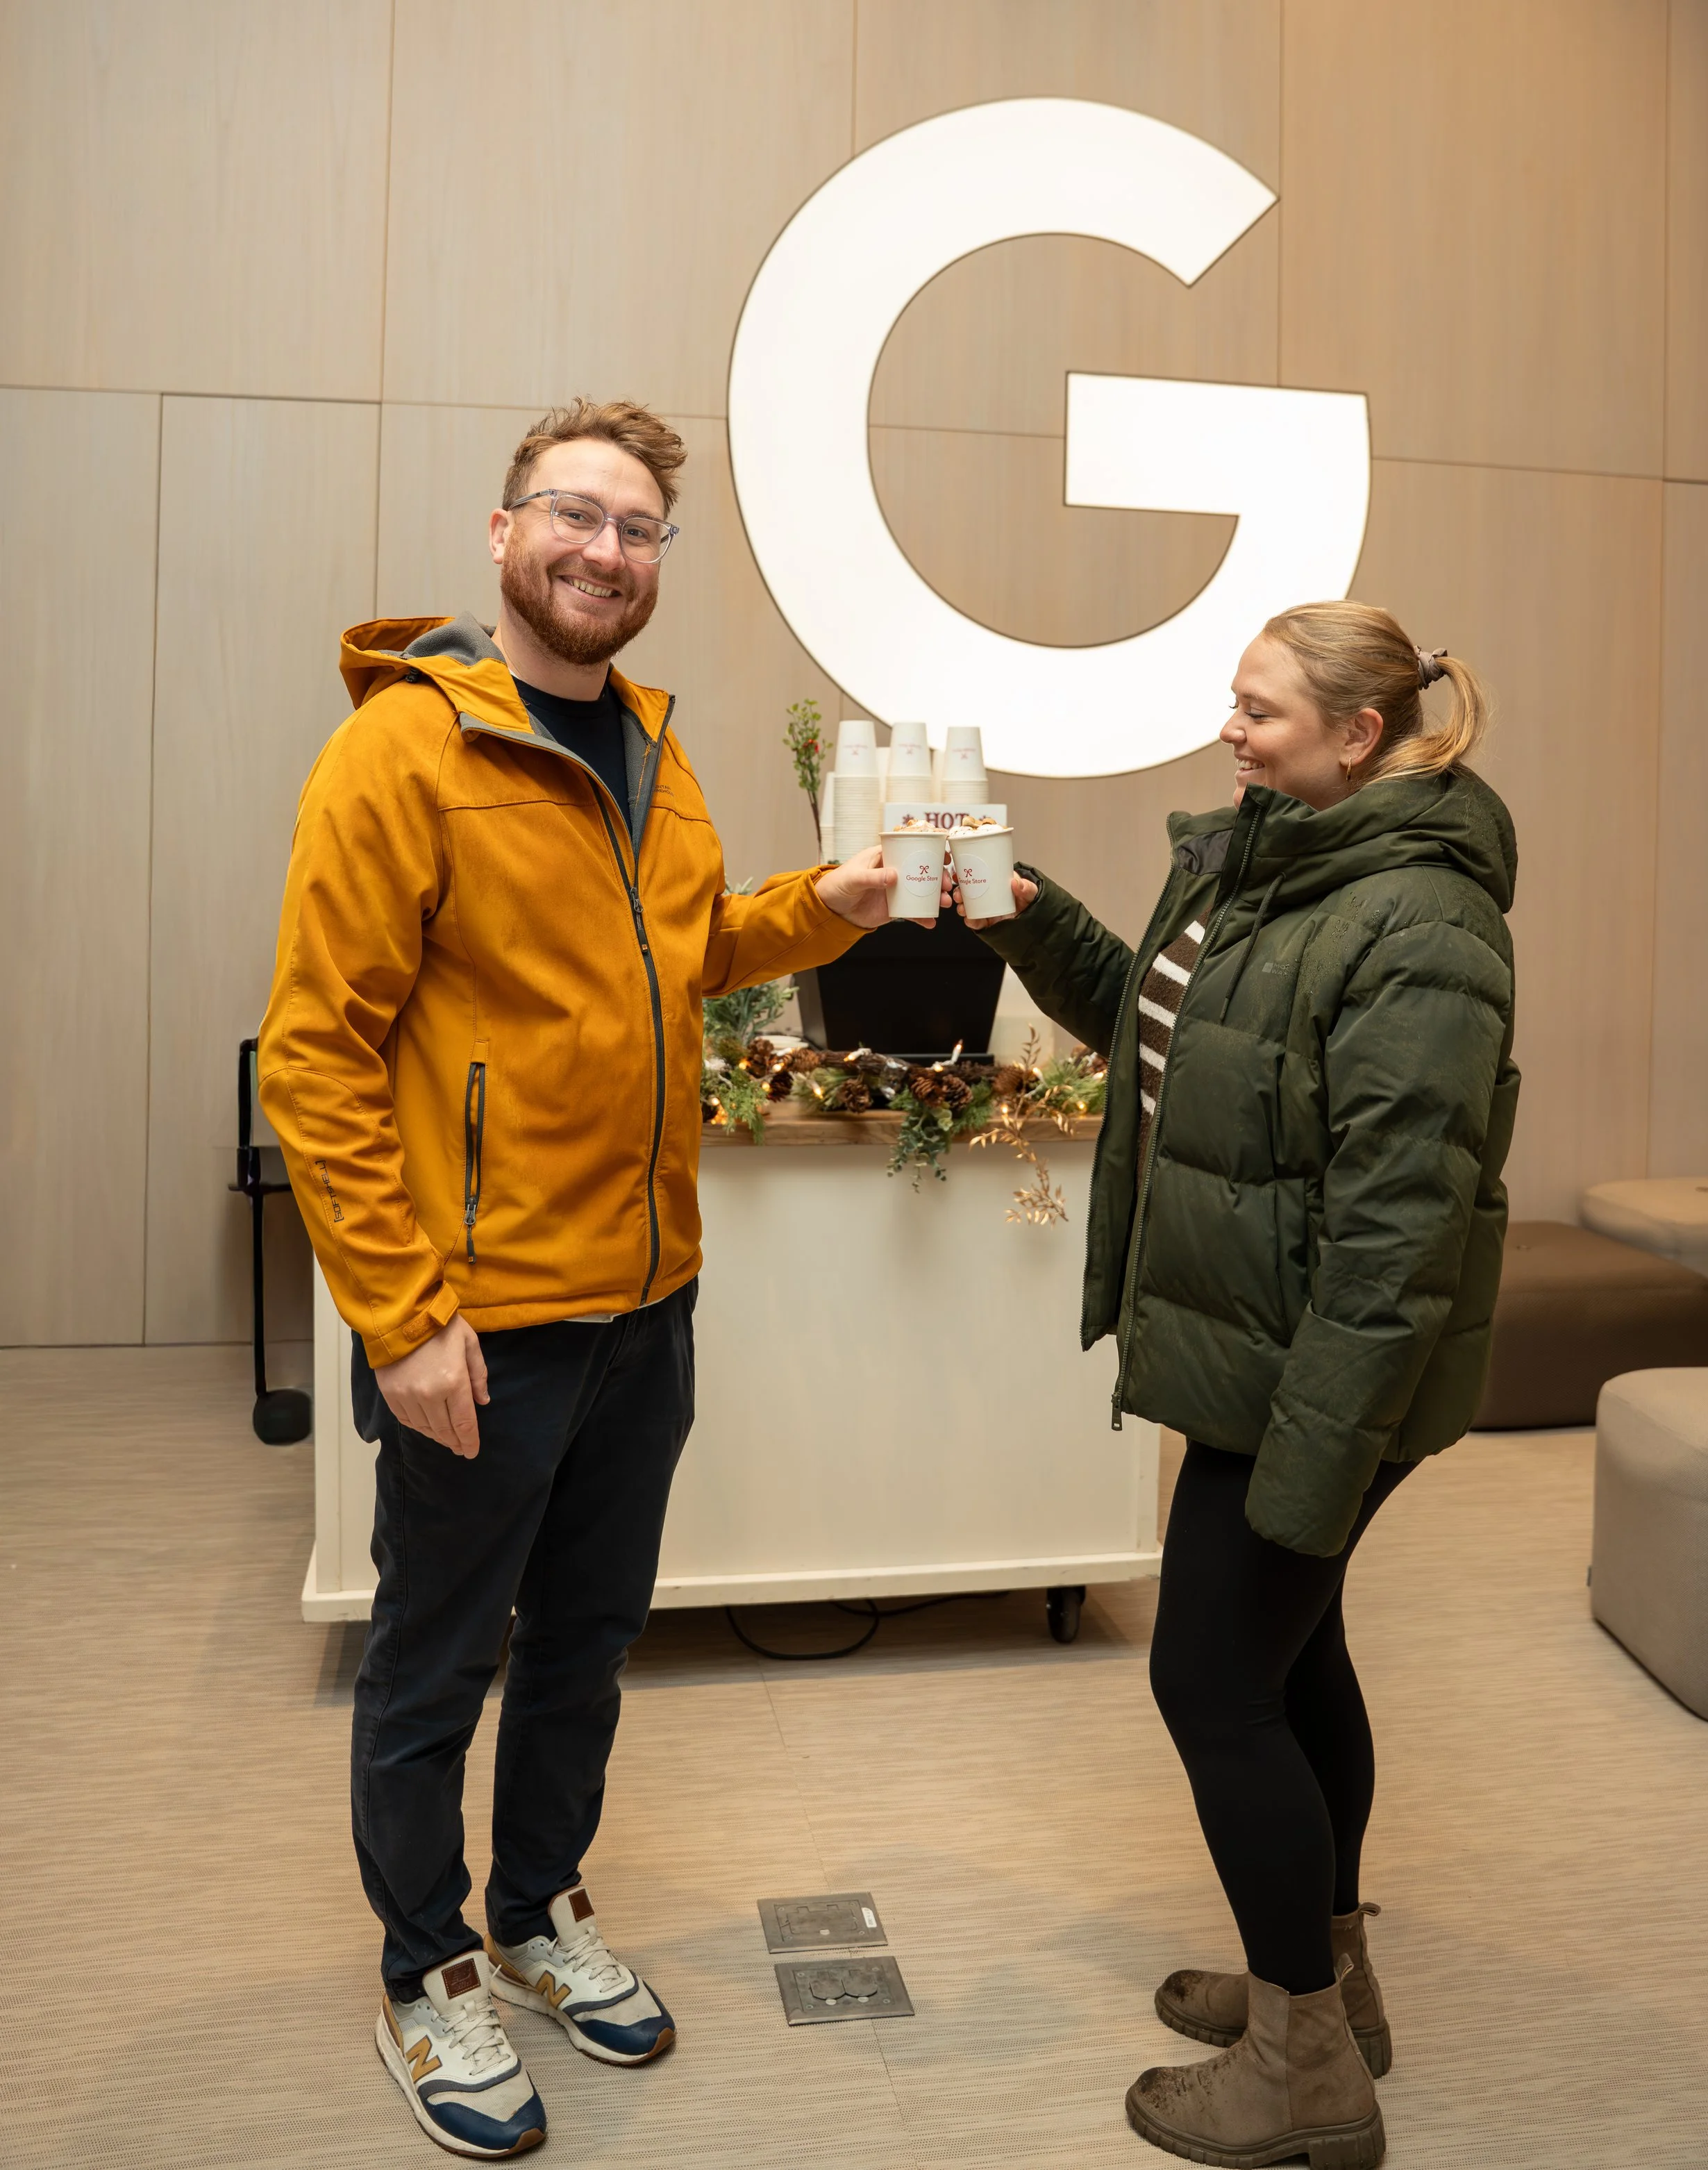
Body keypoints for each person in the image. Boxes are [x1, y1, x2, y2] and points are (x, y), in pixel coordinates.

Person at [259, 397, 903, 2160]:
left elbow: (682, 945)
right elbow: (317, 1055)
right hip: (482, 1319)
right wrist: (401, 1315)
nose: (603, 552)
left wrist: (827, 904)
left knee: (589, 1650)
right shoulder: (405, 752)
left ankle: (538, 1912)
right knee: (431, 1664)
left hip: (646, 1301)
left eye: (634, 532)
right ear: (500, 531)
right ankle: (424, 1969)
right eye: (574, 516)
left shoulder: (651, 746)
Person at [955, 603, 1517, 2170]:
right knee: (1292, 1656)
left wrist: (1317, 1451)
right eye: (1232, 697)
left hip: (1317, 1374)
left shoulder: (1420, 927)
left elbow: (1396, 1233)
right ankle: (1324, 1985)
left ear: (1358, 736)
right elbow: (1154, 1021)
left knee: (1209, 1679)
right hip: (1251, 1352)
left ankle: (1304, 2075)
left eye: (1260, 708)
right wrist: (1009, 905)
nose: (1230, 726)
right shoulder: (1268, 858)